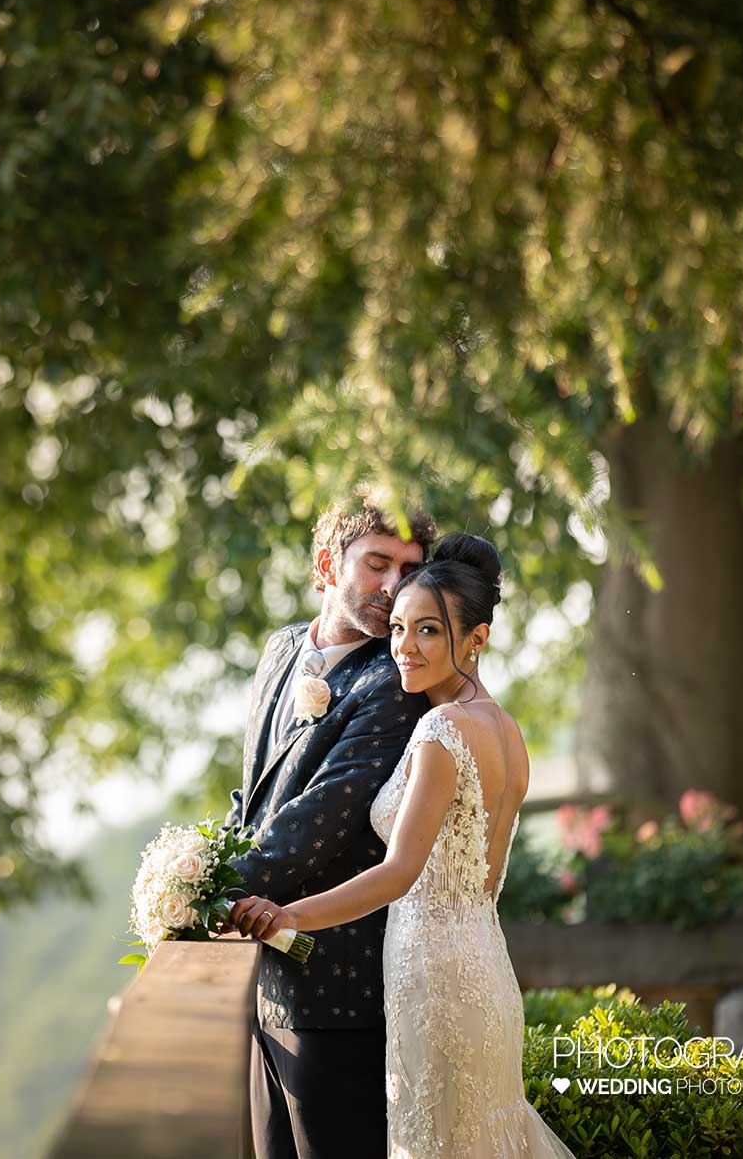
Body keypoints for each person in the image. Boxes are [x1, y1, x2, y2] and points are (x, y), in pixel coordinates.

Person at [229, 533, 576, 1159]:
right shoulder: (507, 730)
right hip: (484, 964)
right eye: (397, 629)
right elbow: (485, 877)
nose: (404, 649)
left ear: (476, 639)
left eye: (429, 632)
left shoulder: (441, 731)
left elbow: (397, 874)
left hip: (431, 976)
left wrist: (287, 916)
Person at [222, 492, 435, 1159]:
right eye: (377, 564)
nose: (392, 587)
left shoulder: (397, 684)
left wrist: (199, 896)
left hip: (342, 989)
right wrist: (202, 866)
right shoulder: (280, 649)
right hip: (265, 983)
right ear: (325, 565)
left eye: (408, 571)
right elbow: (253, 796)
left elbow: (319, 821)